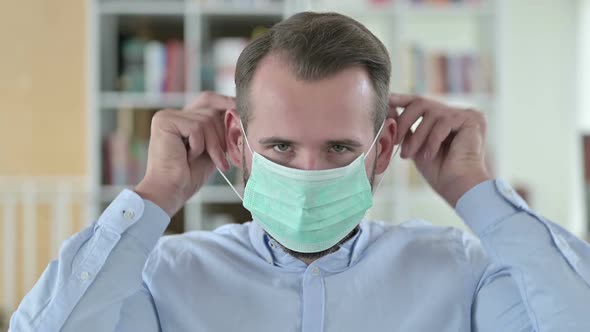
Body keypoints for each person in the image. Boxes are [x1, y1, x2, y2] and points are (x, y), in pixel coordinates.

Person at [10, 12, 590, 332]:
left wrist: (476, 192)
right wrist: (156, 193)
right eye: (281, 146)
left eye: (339, 147)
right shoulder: (165, 279)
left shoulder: (462, 273)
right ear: (237, 141)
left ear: (383, 148)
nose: (309, 173)